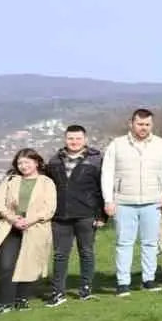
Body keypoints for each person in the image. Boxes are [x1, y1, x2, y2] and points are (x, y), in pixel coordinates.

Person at [100, 108, 162, 296]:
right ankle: (123, 283)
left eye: (147, 124)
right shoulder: (117, 145)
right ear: (131, 124)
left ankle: (148, 280)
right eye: (140, 124)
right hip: (124, 202)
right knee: (124, 243)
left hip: (153, 202)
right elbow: (107, 173)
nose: (143, 128)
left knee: (150, 243)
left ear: (152, 125)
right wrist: (108, 200)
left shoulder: (160, 144)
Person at [0, 148, 57, 313]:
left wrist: (29, 220)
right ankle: (4, 301)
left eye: (27, 162)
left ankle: (22, 298)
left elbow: (49, 208)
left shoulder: (46, 183)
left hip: (35, 227)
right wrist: (13, 218)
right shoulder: (10, 181)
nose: (23, 166)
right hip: (9, 227)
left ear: (36, 163)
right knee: (5, 265)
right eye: (20, 163)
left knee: (29, 264)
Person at [43, 124, 104, 306]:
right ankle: (58, 292)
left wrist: (101, 215)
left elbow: (103, 188)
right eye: (71, 138)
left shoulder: (96, 160)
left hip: (86, 213)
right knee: (60, 254)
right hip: (60, 216)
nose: (74, 142)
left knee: (86, 252)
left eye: (78, 138)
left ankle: (85, 289)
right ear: (65, 139)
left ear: (85, 140)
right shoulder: (54, 161)